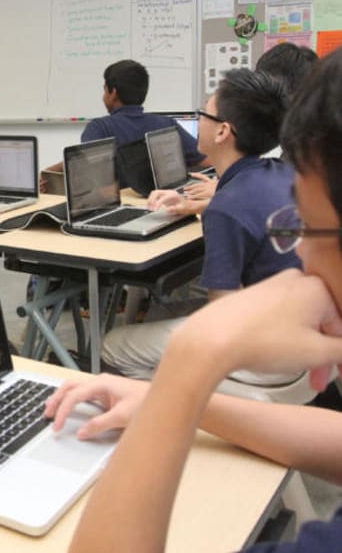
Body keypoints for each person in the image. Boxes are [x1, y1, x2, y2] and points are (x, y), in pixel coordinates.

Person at [44, 46, 342, 553]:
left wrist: (187, 371)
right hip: (293, 381)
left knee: (122, 340)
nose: (303, 259)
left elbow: (228, 313)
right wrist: (172, 404)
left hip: (266, 372)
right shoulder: (253, 180)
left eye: (307, 228)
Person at [102, 69, 302, 387]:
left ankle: (196, 414)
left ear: (223, 131)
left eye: (203, 113)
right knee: (160, 314)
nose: (197, 121)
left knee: (114, 345)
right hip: (303, 336)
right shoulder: (280, 173)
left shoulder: (228, 207)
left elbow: (222, 317)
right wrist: (197, 204)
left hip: (271, 356)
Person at [151, 43, 319, 218]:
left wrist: (230, 193)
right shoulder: (302, 139)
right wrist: (217, 197)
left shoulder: (313, 153)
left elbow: (287, 209)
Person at [41, 59, 208, 191]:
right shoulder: (166, 124)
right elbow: (206, 160)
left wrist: (46, 174)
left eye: (104, 89)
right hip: (164, 205)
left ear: (113, 93)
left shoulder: (99, 128)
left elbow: (81, 167)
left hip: (118, 209)